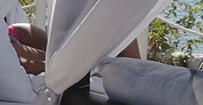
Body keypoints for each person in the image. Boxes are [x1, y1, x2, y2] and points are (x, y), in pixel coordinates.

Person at [8, 22, 140, 75]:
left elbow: (51, 58)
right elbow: (30, 65)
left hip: (18, 34)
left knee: (123, 33)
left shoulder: (18, 32)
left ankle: (136, 74)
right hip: (17, 41)